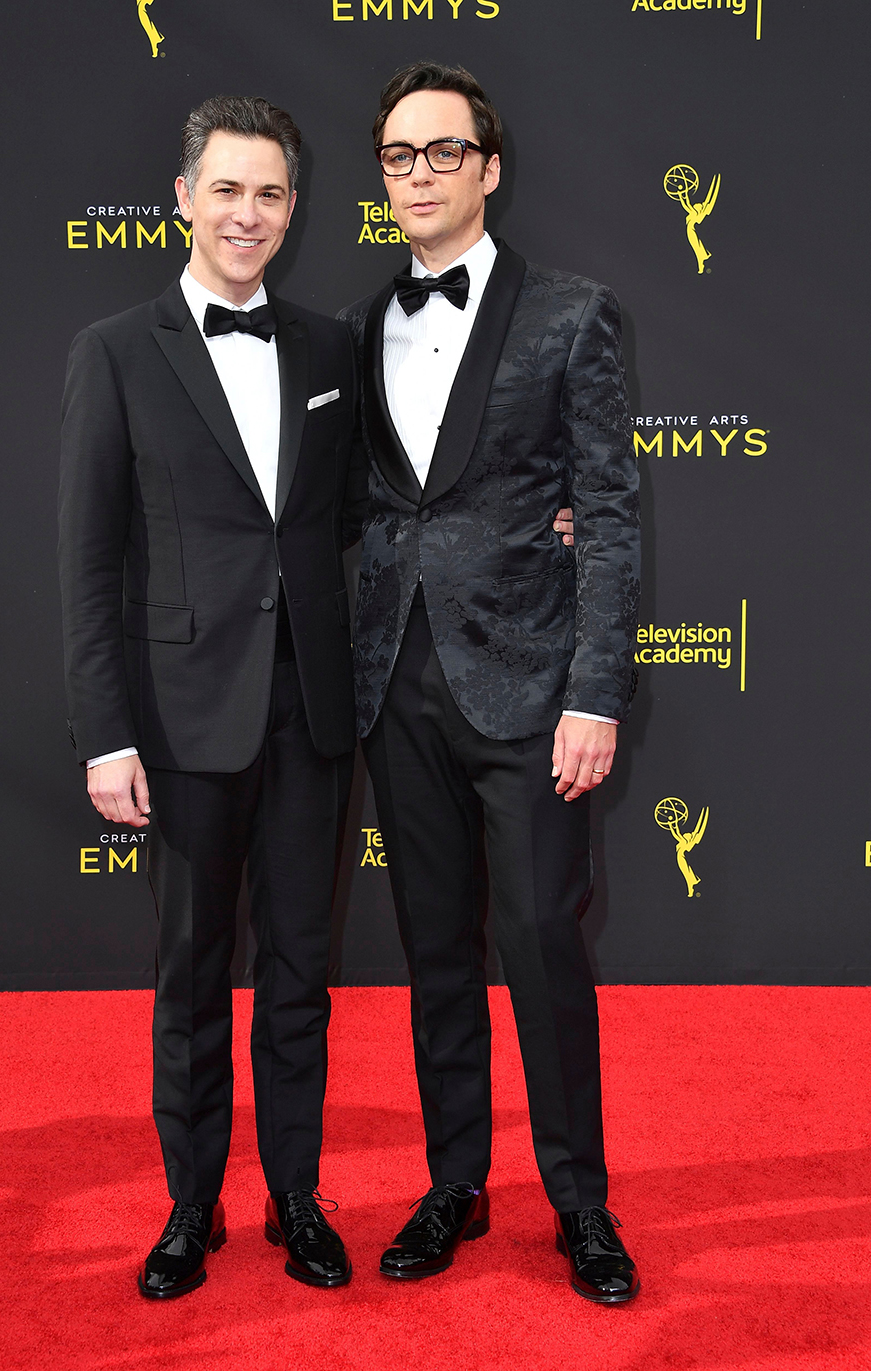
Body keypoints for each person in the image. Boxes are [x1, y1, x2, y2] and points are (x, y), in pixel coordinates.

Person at [339, 62, 641, 1303]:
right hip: (392, 686)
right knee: (433, 952)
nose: (419, 173)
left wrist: (596, 691)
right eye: (399, 155)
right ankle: (454, 1180)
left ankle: (580, 1205)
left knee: (539, 946)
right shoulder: (356, 327)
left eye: (441, 152)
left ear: (489, 168)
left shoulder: (572, 314)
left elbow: (611, 514)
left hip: (529, 688)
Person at [58, 96, 363, 1298]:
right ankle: (193, 1207)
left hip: (312, 711)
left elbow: (367, 517)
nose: (249, 213)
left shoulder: (333, 351)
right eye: (227, 189)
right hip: (181, 718)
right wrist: (105, 734)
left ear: (294, 210)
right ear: (182, 199)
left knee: (301, 968)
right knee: (191, 971)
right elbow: (86, 562)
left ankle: (296, 1196)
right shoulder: (115, 351)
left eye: (272, 193)